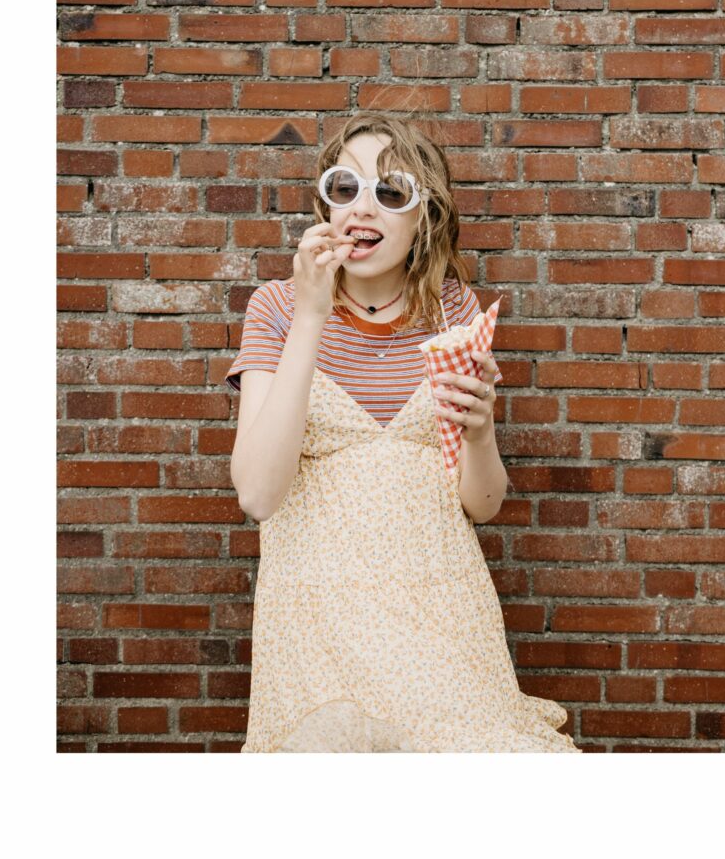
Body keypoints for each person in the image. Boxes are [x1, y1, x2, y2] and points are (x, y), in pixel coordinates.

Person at [225, 113, 578, 752]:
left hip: (441, 618)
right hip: (317, 624)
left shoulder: (453, 310)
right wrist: (310, 314)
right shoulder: (276, 307)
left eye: (391, 193)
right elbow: (257, 494)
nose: (365, 208)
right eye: (346, 187)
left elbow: (484, 504)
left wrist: (477, 430)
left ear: (425, 218)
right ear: (323, 203)